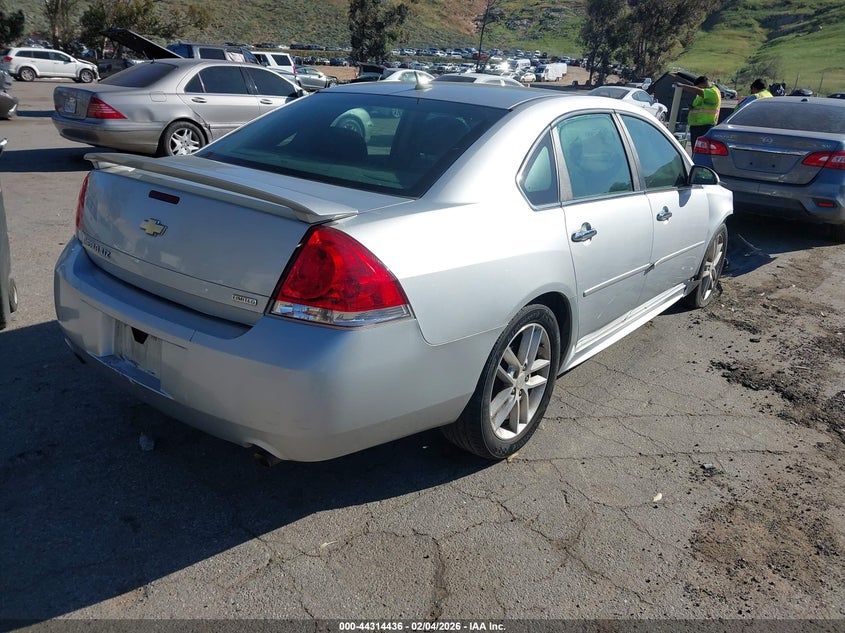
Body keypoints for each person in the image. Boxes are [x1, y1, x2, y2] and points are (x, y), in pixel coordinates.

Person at [674, 75, 722, 146]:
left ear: (704, 84)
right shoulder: (703, 94)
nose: (698, 88)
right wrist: (692, 107)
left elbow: (697, 91)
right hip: (696, 126)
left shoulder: (713, 92)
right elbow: (700, 107)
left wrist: (682, 85)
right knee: (696, 150)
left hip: (705, 127)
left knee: (701, 150)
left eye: (699, 86)